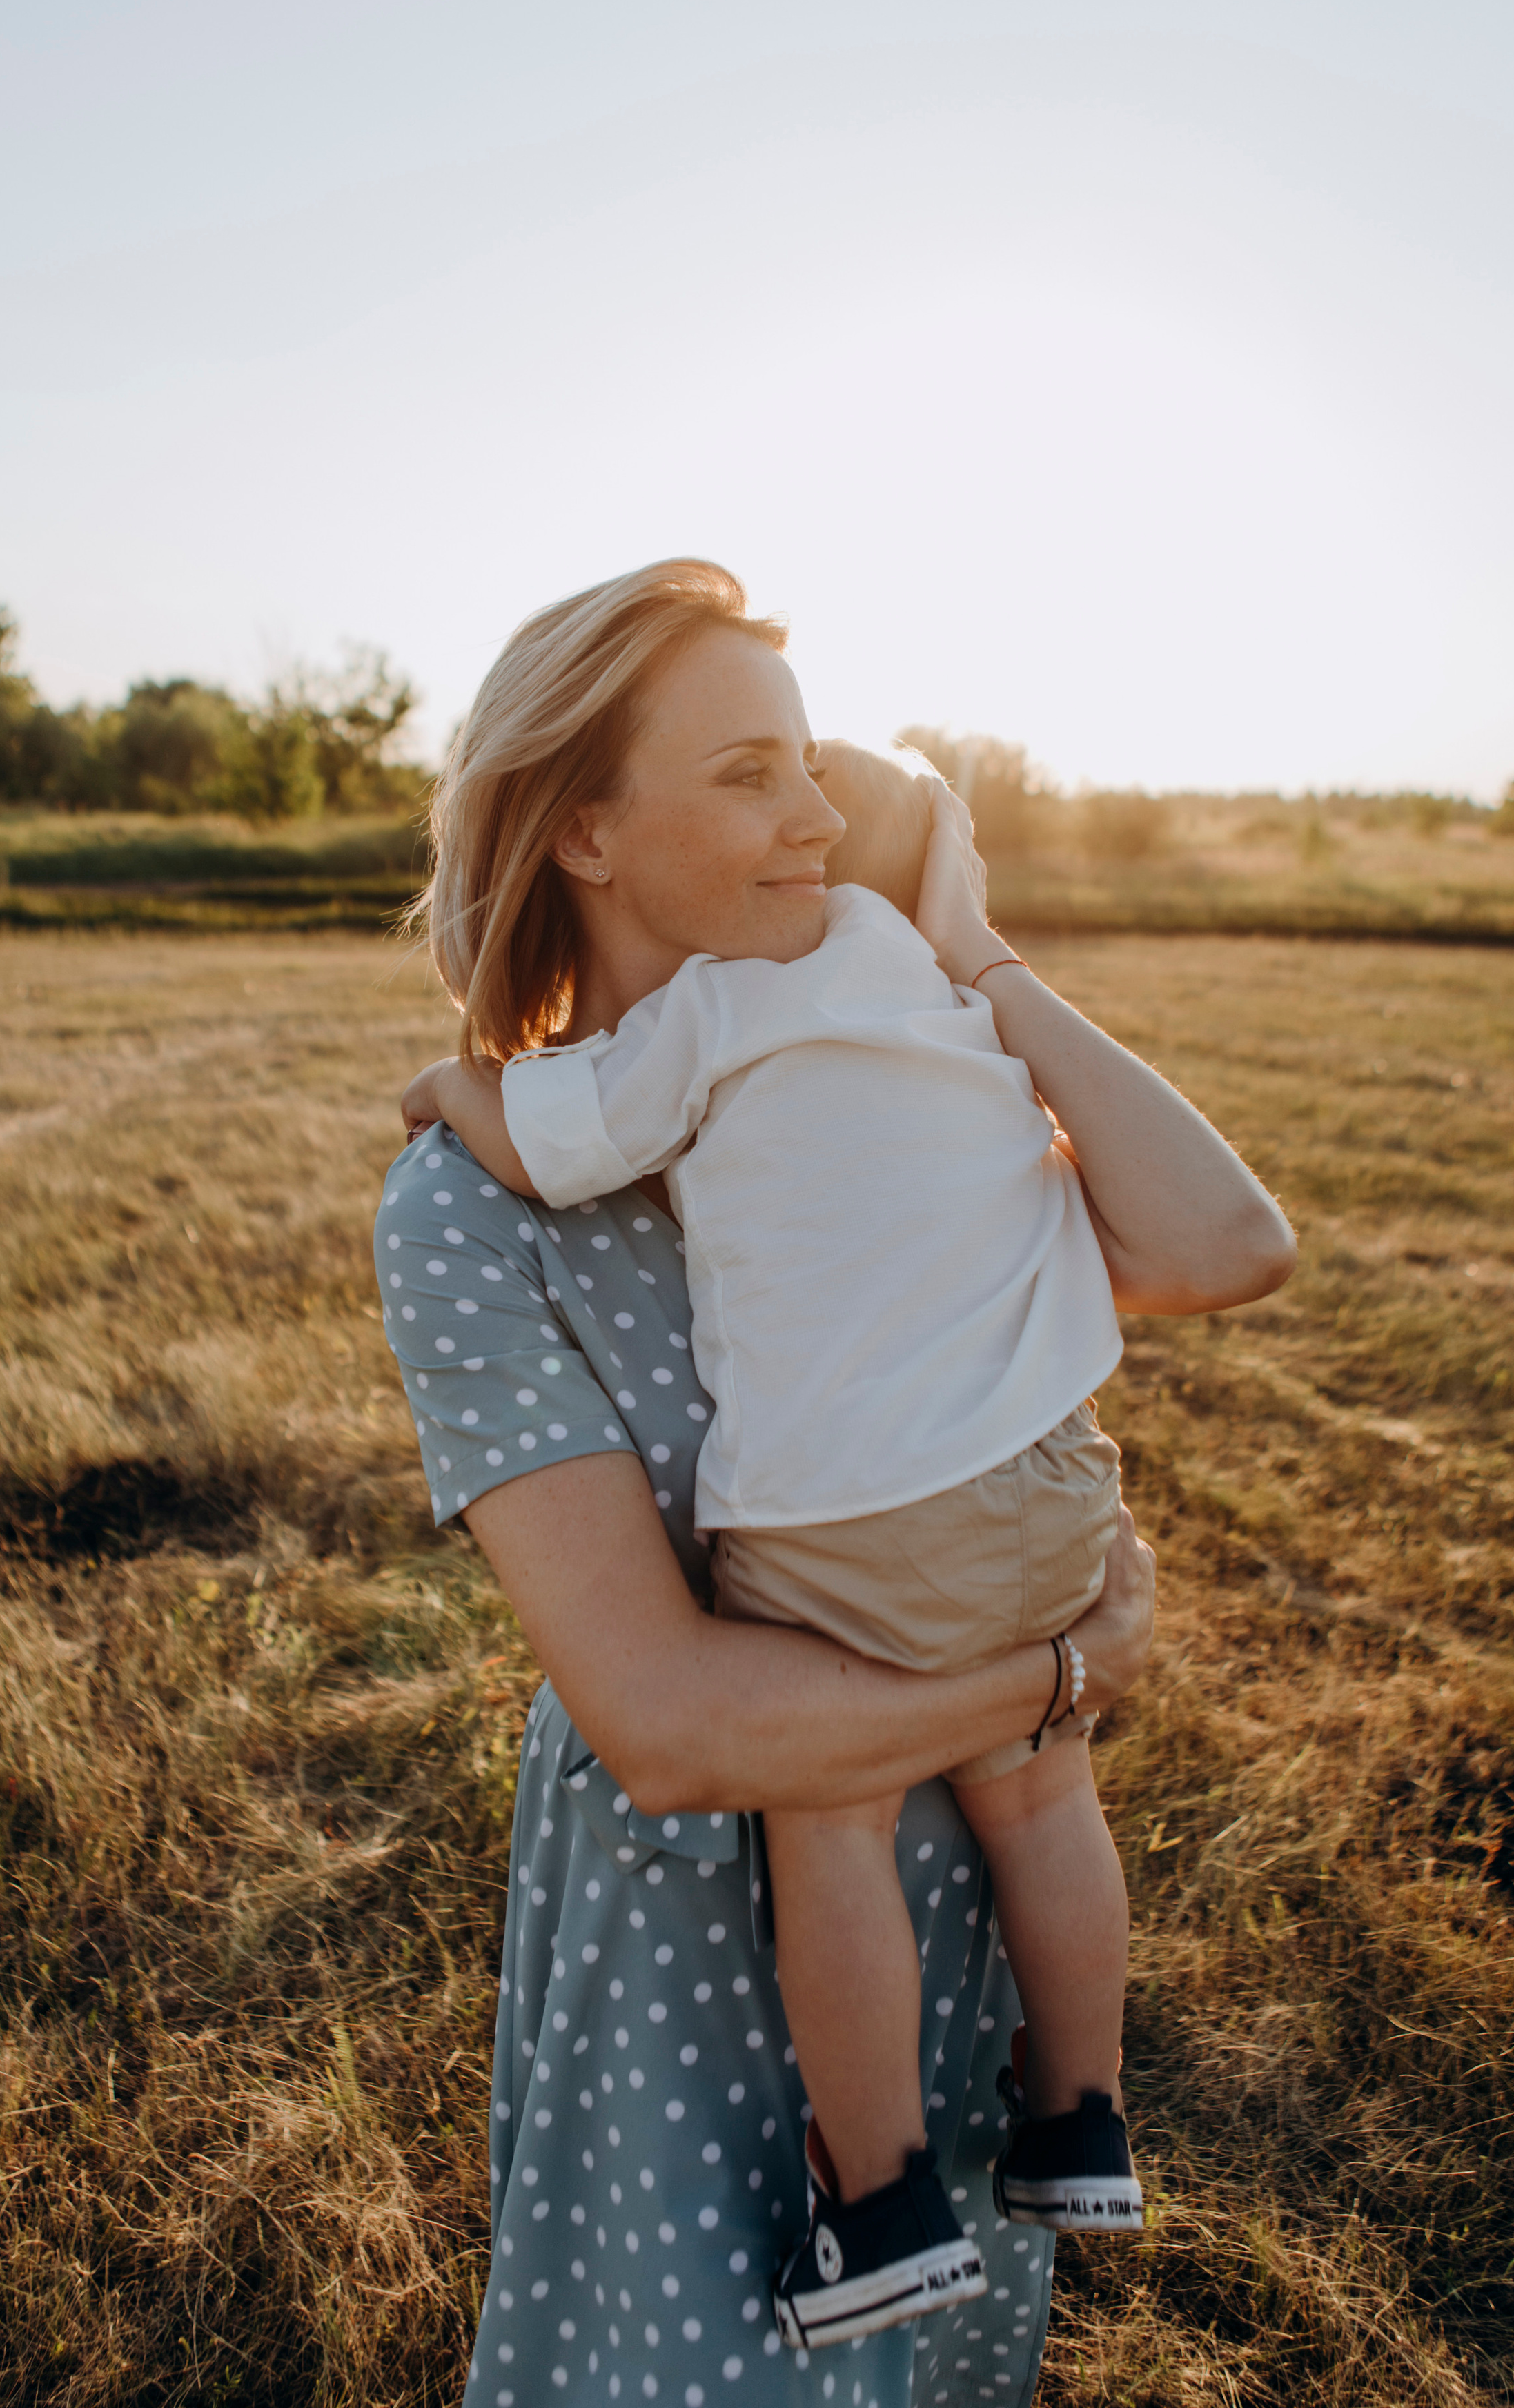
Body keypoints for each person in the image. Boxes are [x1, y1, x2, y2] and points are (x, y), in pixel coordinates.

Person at [378, 558, 1289, 2408]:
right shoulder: (472, 1209)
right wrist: (1051, 1682)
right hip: (686, 1941)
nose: (811, 815)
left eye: (809, 762)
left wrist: (980, 960)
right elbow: (675, 1727)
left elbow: (1221, 1241)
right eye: (741, 774)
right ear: (584, 834)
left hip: (947, 1920)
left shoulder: (885, 1097)